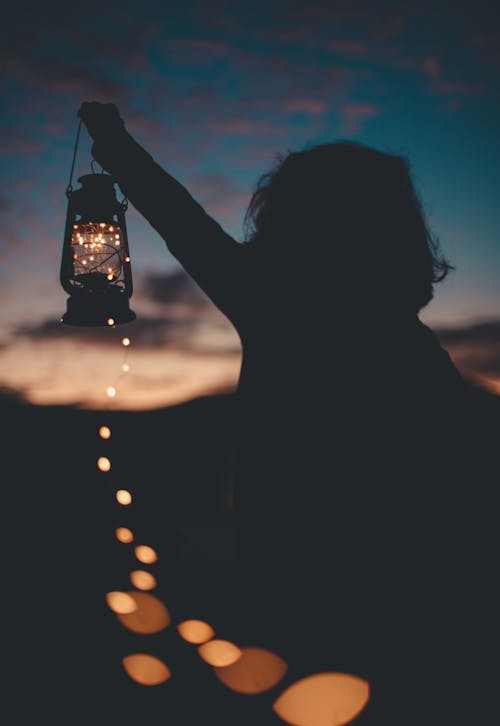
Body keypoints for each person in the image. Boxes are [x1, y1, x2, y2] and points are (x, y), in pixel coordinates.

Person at [78, 101, 497, 724]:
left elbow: (179, 218)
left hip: (296, 567)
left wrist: (111, 142)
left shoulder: (274, 303)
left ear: (291, 219)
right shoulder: (411, 344)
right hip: (409, 581)